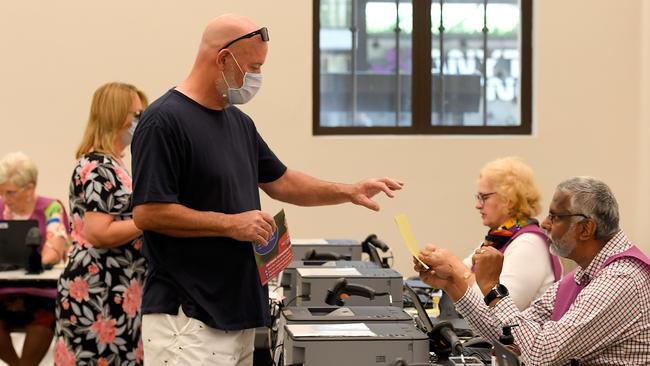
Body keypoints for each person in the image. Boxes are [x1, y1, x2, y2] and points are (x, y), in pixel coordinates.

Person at [130, 14, 403, 366]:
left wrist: (348, 190)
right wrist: (230, 224)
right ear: (224, 59)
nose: (257, 77)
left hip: (237, 313)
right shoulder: (163, 121)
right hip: (189, 320)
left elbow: (283, 181)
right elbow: (148, 212)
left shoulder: (238, 123)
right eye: (253, 66)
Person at [416, 176, 650, 365]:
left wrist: (494, 290)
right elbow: (504, 333)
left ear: (586, 228)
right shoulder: (584, 275)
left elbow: (541, 354)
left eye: (556, 217)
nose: (545, 223)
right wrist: (453, 284)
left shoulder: (621, 279)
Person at [54, 82, 148, 366]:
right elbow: (99, 232)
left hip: (116, 289)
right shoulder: (98, 167)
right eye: (136, 114)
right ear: (115, 116)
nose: (140, 121)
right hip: (98, 292)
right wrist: (149, 220)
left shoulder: (113, 164)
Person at [422, 157, 562, 310]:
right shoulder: (501, 237)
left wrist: (453, 265)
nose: (478, 205)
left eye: (484, 197)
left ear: (509, 199)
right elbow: (465, 273)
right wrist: (439, 269)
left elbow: (502, 311)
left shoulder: (528, 244)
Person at [0, 151, 70, 366]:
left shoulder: (51, 208)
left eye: (10, 193)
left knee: (47, 314)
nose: (6, 199)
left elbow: (54, 250)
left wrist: (32, 260)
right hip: (3, 292)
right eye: (2, 193)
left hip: (39, 293)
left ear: (29, 188)